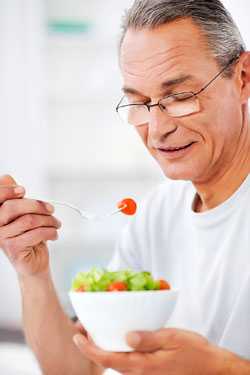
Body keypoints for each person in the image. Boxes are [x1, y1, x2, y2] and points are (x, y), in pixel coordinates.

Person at [0, 0, 250, 373]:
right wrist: (31, 271)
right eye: (138, 102)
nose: (157, 129)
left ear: (243, 77)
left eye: (179, 97)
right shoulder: (157, 214)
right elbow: (81, 368)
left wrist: (226, 370)